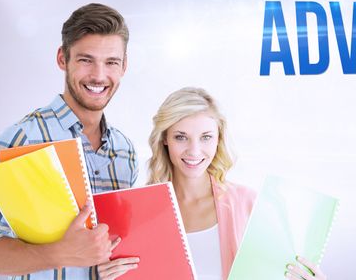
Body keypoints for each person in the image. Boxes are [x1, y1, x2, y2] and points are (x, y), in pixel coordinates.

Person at [97, 87, 326, 280]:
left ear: (218, 139)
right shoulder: (137, 214)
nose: (194, 151)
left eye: (206, 137)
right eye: (181, 136)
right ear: (164, 139)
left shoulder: (250, 205)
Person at [0, 3, 138, 279]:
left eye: (111, 62)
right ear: (62, 58)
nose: (99, 75)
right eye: (85, 59)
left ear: (124, 66)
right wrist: (58, 254)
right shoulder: (20, 141)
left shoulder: (126, 152)